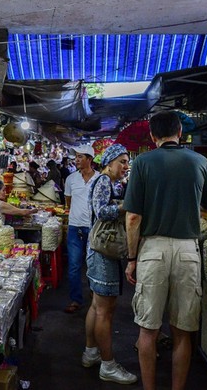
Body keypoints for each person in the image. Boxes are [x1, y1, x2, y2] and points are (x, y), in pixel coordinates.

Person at [123, 111, 207, 390]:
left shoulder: (142, 163)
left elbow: (133, 218)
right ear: (180, 133)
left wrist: (132, 258)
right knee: (183, 333)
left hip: (153, 250)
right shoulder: (200, 162)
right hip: (188, 250)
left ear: (153, 136)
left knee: (148, 330)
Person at [81, 144, 137, 384]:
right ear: (110, 162)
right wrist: (128, 206)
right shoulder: (103, 181)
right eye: (122, 162)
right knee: (105, 309)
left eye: (127, 162)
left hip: (98, 249)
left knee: (96, 306)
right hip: (102, 251)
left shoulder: (106, 182)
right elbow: (102, 211)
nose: (125, 167)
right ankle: (108, 365)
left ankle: (91, 352)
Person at [63, 144, 99, 313]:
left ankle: (96, 296)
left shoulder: (100, 178)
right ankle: (76, 299)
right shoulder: (71, 179)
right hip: (75, 228)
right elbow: (68, 203)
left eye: (79, 157)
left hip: (94, 228)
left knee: (93, 264)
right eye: (75, 157)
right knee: (74, 265)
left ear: (89, 159)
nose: (76, 160)